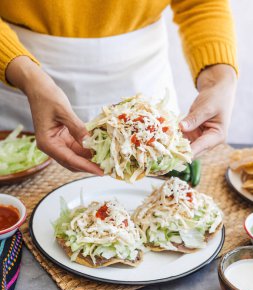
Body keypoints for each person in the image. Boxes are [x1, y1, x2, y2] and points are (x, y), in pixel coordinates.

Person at [0, 1, 237, 175]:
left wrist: (220, 79)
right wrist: (28, 77)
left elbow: (201, 4)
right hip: (21, 73)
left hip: (142, 76)